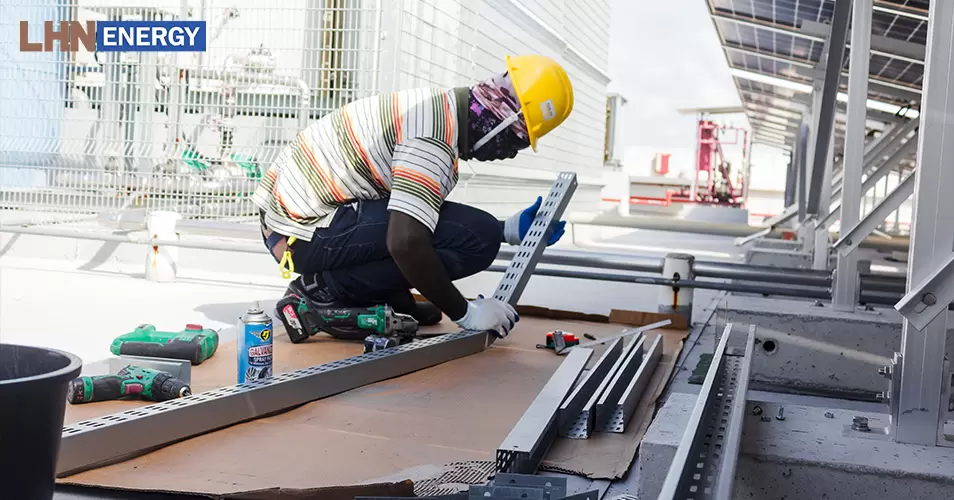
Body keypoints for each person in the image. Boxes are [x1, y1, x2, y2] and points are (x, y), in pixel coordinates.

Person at [253, 54, 574, 339]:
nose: (510, 155)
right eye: (517, 141)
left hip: (301, 222)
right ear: (500, 121)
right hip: (301, 233)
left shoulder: (438, 110)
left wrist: (508, 229)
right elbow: (405, 241)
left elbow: (413, 211)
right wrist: (466, 313)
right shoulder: (432, 137)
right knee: (478, 238)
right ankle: (321, 291)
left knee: (468, 241)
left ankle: (371, 294)